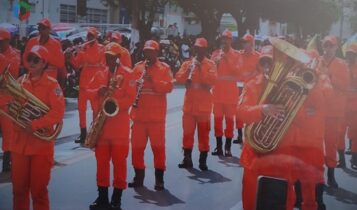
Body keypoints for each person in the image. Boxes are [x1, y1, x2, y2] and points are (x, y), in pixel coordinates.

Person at [4, 45, 65, 210]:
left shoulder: (52, 85)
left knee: (38, 192)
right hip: (19, 144)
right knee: (18, 190)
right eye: (29, 58)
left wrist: (35, 124)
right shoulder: (19, 82)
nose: (31, 62)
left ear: (44, 63)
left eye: (36, 59)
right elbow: (10, 105)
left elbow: (58, 113)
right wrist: (11, 107)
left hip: (40, 146)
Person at [86, 42, 136, 210]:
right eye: (107, 56)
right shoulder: (100, 74)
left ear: (118, 58)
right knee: (101, 163)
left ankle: (116, 199)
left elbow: (131, 98)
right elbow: (87, 91)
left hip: (119, 128)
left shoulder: (128, 74)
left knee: (119, 163)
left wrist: (115, 102)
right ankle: (102, 198)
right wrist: (97, 92)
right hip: (102, 129)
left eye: (112, 57)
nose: (108, 60)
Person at [129, 40, 173, 191]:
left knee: (158, 149)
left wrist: (153, 81)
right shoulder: (138, 67)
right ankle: (138, 177)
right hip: (139, 116)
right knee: (136, 148)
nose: (149, 54)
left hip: (156, 118)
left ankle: (159, 180)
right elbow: (129, 87)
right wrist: (135, 83)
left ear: (157, 52)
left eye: (152, 51)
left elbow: (169, 86)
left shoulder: (164, 68)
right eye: (147, 51)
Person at [175, 37, 217, 170]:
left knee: (203, 135)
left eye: (201, 49)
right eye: (197, 48)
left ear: (205, 50)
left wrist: (201, 69)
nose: (199, 51)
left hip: (203, 107)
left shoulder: (211, 64)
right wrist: (188, 71)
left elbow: (212, 81)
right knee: (187, 133)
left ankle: (202, 160)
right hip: (189, 106)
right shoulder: (187, 63)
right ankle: (187, 158)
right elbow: (178, 78)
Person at [318, 36, 349, 187]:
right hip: (318, 109)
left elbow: (345, 86)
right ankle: (317, 175)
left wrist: (329, 75)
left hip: (333, 111)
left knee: (330, 143)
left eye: (331, 46)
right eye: (325, 46)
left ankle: (331, 174)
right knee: (316, 143)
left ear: (336, 48)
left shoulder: (342, 64)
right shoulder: (316, 61)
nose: (328, 49)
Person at [66, 27, 106, 144]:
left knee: (95, 109)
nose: (89, 38)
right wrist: (71, 56)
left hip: (95, 83)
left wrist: (82, 51)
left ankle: (94, 133)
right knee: (81, 109)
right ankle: (83, 133)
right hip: (84, 83)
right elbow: (77, 64)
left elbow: (95, 60)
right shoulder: (84, 48)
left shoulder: (101, 48)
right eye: (88, 36)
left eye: (91, 36)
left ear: (96, 37)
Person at [210, 29, 241, 157]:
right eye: (223, 38)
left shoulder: (237, 55)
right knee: (217, 121)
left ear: (231, 40)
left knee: (229, 121)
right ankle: (218, 147)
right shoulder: (215, 53)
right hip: (217, 94)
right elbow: (211, 72)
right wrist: (215, 64)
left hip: (230, 95)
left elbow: (238, 72)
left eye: (227, 39)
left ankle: (227, 147)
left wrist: (227, 59)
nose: (225, 41)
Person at [0, 27, 20, 172]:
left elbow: (10, 70)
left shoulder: (14, 55)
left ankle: (7, 162)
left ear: (8, 40)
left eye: (1, 42)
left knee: (8, 132)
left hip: (6, 98)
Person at [234, 34, 260, 144]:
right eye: (243, 42)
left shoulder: (258, 56)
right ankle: (240, 135)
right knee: (238, 110)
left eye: (247, 42)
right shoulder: (238, 55)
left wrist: (251, 75)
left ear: (252, 43)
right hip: (240, 86)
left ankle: (250, 134)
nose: (244, 44)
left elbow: (261, 70)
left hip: (253, 88)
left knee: (251, 110)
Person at [345, 43, 357, 170]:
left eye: (352, 54)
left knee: (355, 130)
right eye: (348, 54)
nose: (349, 56)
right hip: (343, 105)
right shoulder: (343, 66)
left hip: (355, 105)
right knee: (345, 130)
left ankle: (354, 158)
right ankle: (349, 146)